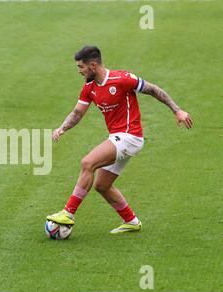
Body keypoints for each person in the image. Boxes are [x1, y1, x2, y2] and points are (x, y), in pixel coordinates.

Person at [47, 45, 193, 234]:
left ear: (92, 65)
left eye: (81, 67)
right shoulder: (89, 87)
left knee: (87, 163)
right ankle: (131, 221)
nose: (79, 71)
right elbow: (77, 113)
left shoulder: (122, 79)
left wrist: (177, 110)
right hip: (118, 138)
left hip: (130, 136)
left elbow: (154, 90)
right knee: (102, 185)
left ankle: (68, 213)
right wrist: (62, 128)